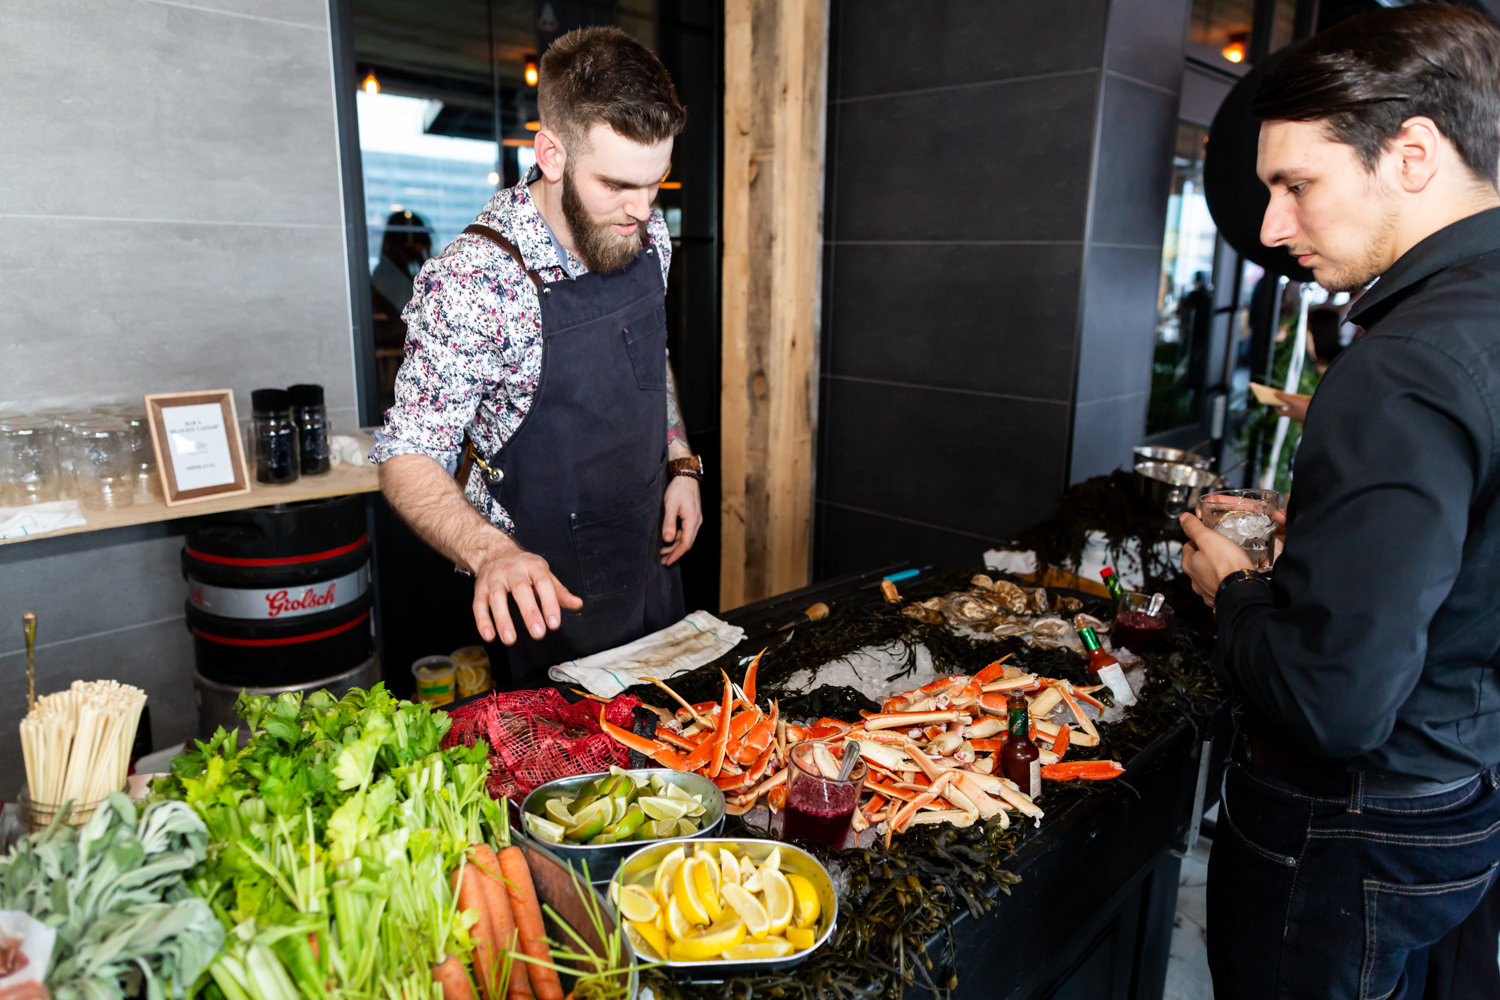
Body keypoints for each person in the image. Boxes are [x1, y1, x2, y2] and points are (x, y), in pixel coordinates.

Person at [1176, 7, 1500, 998]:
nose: (1272, 229)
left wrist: (1233, 591)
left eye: (1296, 185)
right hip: (1460, 792)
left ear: (1411, 154)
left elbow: (1333, 700)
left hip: (1350, 830)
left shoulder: (1402, 365)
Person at [371, 26, 703, 683]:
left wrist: (681, 462)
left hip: (648, 569)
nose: (642, 210)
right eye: (616, 185)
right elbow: (405, 455)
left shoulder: (646, 232)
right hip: (542, 604)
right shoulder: (477, 279)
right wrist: (491, 553)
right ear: (550, 153)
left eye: (656, 183)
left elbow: (652, 355)